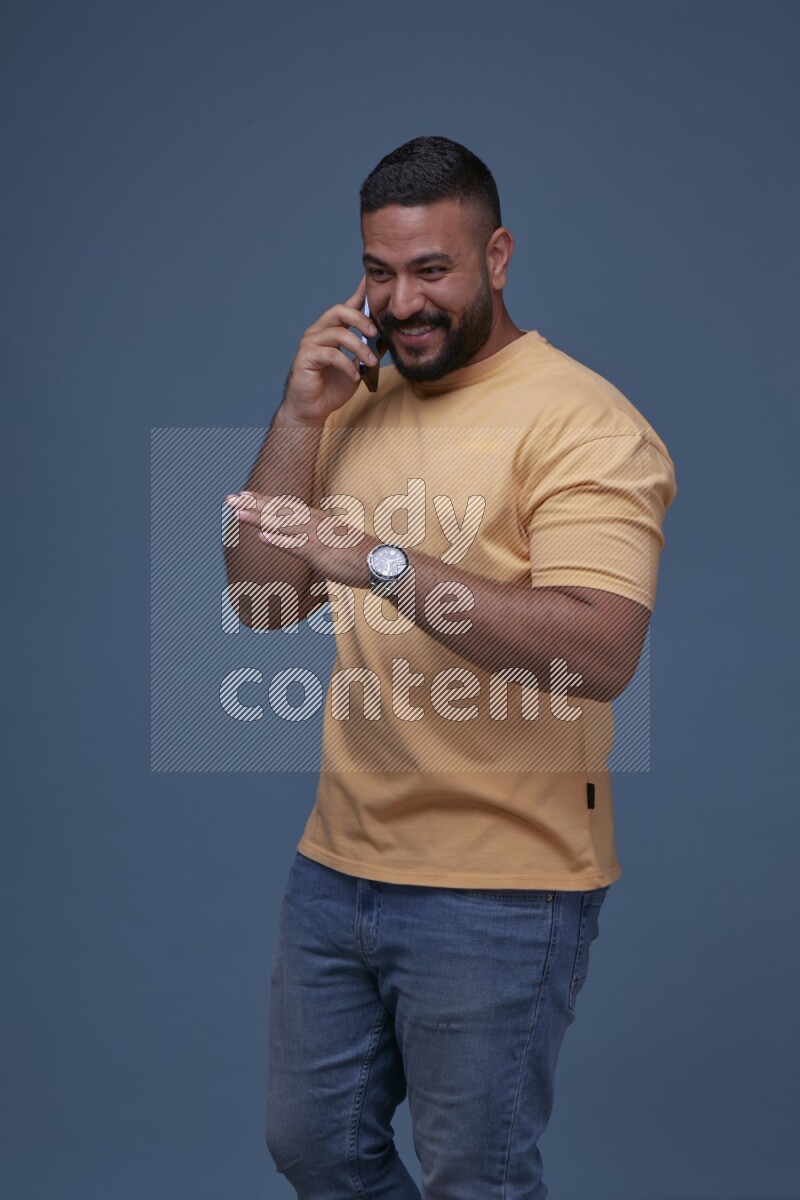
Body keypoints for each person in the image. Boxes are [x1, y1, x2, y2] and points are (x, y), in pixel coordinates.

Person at [223, 136, 677, 1200]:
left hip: (499, 886)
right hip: (337, 865)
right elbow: (258, 600)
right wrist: (297, 417)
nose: (401, 301)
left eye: (432, 270)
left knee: (474, 1179)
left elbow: (599, 651)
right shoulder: (351, 402)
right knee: (315, 1147)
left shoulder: (584, 422)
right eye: (379, 272)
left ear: (498, 256)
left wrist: (380, 562)